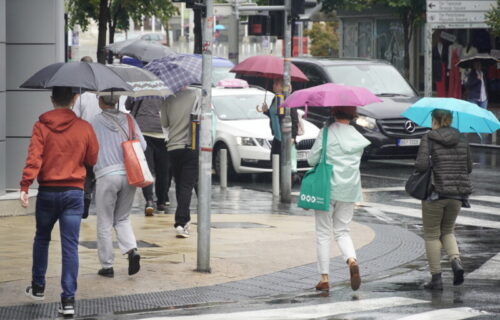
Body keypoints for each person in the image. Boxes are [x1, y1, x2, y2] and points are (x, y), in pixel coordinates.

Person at [20, 86, 99, 317]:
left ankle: (37, 287)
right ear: (74, 99)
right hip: (74, 193)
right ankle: (68, 301)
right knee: (70, 246)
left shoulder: (41, 126)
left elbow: (34, 157)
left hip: (47, 192)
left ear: (52, 99)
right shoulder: (85, 128)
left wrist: (25, 185)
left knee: (42, 239)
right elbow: (92, 158)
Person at [307, 107, 370, 292]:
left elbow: (312, 159)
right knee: (342, 231)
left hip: (327, 188)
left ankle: (324, 278)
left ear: (334, 113)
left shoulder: (326, 133)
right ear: (353, 115)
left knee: (323, 233)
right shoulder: (358, 137)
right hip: (350, 189)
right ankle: (351, 260)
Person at [414, 109, 472, 290]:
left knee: (431, 234)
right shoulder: (462, 138)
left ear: (435, 120)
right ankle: (456, 261)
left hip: (435, 192)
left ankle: (436, 278)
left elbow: (422, 165)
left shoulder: (429, 137)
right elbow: (468, 167)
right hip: (457, 193)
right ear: (450, 120)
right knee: (448, 231)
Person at [90, 95, 145, 278]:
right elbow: (142, 145)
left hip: (106, 174)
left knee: (105, 221)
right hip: (129, 174)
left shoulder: (94, 122)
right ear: (116, 101)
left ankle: (107, 266)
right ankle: (131, 250)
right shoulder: (129, 119)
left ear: (101, 101)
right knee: (122, 218)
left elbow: (88, 151)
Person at [160, 87, 201, 238]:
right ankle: (181, 222)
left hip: (173, 147)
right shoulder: (196, 94)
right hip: (191, 145)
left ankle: (185, 219)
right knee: (186, 186)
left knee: (179, 185)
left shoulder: (168, 98)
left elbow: (164, 123)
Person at [126, 97, 172, 216]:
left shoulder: (141, 85)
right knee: (163, 170)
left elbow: (127, 105)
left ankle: (149, 201)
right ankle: (161, 202)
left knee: (147, 169)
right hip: (164, 133)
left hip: (144, 131)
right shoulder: (167, 88)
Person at [73, 56, 101, 219]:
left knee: (87, 173)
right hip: (100, 141)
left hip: (84, 141)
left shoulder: (81, 97)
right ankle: (90, 196)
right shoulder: (102, 96)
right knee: (96, 173)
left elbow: (75, 118)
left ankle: (85, 197)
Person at [261, 78, 300, 183]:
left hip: (285, 137)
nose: (273, 85)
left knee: (283, 162)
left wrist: (293, 137)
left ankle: (287, 183)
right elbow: (275, 115)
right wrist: (266, 111)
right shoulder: (276, 98)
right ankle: (280, 184)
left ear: (282, 86)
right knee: (274, 160)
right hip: (277, 136)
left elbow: (294, 118)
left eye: (276, 83)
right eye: (274, 83)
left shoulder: (287, 99)